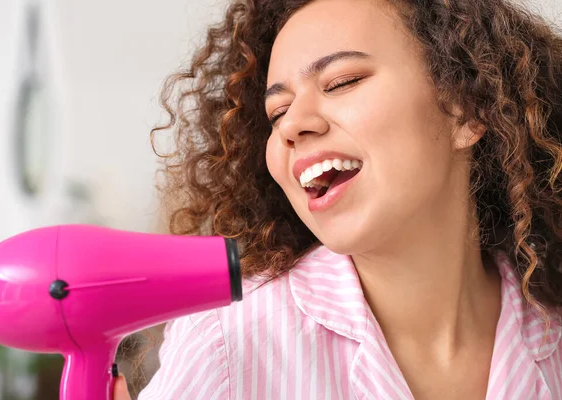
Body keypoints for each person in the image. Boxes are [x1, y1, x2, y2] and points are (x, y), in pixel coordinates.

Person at [115, 0, 562, 398]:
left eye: (341, 82)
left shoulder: (554, 334)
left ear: (468, 109)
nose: (292, 126)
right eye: (277, 112)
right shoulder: (227, 341)